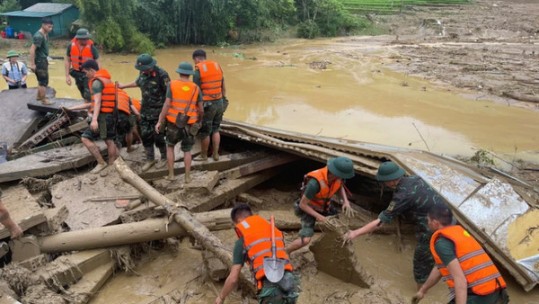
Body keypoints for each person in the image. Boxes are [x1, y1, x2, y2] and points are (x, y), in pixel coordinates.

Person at [344, 161, 445, 288]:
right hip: (444, 215)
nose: (383, 184)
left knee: (421, 258)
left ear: (391, 181)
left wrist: (355, 233)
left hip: (434, 227)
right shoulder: (415, 178)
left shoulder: (403, 195)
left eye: (384, 181)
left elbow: (380, 222)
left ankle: (422, 289)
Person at [414, 204, 509, 304]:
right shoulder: (460, 234)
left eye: (428, 220)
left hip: (479, 296)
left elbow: (460, 281)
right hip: (497, 292)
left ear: (435, 223)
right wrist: (422, 290)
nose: (427, 223)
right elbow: (439, 268)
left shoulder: (442, 243)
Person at [215, 203, 299, 304]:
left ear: (237, 222)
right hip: (290, 284)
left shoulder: (242, 242)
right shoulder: (272, 230)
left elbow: (233, 278)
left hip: (271, 290)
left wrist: (221, 297)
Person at [286, 156, 355, 254]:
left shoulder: (337, 178)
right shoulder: (314, 183)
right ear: (336, 173)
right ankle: (285, 252)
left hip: (324, 206)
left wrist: (345, 202)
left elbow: (340, 186)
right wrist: (321, 217)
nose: (343, 178)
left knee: (338, 228)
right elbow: (303, 204)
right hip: (308, 208)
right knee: (305, 240)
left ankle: (326, 249)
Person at [118, 54, 170, 172]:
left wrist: (166, 114)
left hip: (158, 113)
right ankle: (150, 159)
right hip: (145, 112)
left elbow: (169, 96)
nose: (143, 71)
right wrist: (123, 86)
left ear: (151, 66)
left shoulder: (162, 74)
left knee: (159, 137)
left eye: (145, 69)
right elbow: (138, 82)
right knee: (146, 136)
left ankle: (164, 158)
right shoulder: (142, 73)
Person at [80, 60, 131, 174]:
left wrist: (94, 120)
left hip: (103, 116)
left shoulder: (96, 83)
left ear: (92, 70)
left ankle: (101, 163)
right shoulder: (107, 80)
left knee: (85, 138)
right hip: (110, 115)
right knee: (109, 140)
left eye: (86, 72)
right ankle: (113, 164)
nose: (85, 75)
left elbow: (97, 102)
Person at [155, 62, 203, 183]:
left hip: (173, 123)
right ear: (190, 74)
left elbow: (166, 104)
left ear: (179, 72)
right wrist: (199, 121)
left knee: (170, 147)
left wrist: (160, 121)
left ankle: (171, 175)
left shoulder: (172, 84)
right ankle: (187, 177)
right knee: (187, 150)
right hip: (190, 124)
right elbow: (201, 108)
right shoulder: (196, 88)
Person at [192, 49, 226, 161]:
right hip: (219, 102)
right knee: (216, 129)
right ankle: (216, 155)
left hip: (207, 105)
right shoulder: (217, 66)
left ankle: (204, 155)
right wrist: (223, 99)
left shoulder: (198, 70)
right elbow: (223, 86)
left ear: (196, 59)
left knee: (205, 131)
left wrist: (197, 108)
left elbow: (196, 92)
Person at [64, 28, 100, 101]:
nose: (86, 40)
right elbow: (67, 61)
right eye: (84, 39)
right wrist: (67, 76)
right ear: (78, 39)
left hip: (88, 73)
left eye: (87, 38)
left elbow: (98, 62)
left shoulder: (92, 47)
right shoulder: (71, 46)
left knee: (88, 93)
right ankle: (87, 103)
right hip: (76, 73)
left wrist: (98, 75)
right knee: (81, 90)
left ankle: (89, 107)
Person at [29, 17, 54, 105]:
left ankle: (39, 96)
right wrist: (32, 64)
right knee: (43, 81)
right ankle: (44, 100)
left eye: (51, 27)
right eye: (49, 27)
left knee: (42, 80)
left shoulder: (45, 34)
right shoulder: (38, 36)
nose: (50, 29)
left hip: (43, 60)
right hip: (39, 61)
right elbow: (32, 49)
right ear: (43, 25)